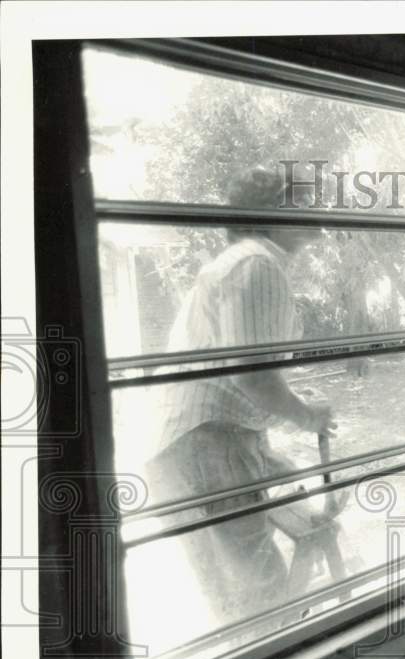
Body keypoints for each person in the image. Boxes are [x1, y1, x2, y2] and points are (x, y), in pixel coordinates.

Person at [147, 165, 335, 623]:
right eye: (301, 201)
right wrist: (307, 415)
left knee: (239, 598)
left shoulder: (245, 263)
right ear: (270, 213)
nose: (314, 211)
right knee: (259, 598)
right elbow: (252, 376)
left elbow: (247, 372)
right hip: (208, 446)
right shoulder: (256, 262)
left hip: (202, 446)